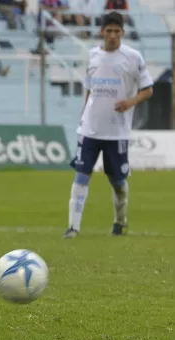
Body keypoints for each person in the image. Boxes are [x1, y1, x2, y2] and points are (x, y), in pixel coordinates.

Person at [64, 12, 153, 239]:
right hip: (90, 129)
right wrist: (83, 117)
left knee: (119, 183)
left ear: (123, 32)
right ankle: (73, 227)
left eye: (117, 31)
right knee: (81, 175)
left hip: (117, 132)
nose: (113, 35)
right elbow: (89, 91)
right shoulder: (93, 56)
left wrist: (131, 102)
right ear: (102, 32)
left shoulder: (133, 57)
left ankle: (120, 221)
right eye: (109, 31)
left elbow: (148, 90)